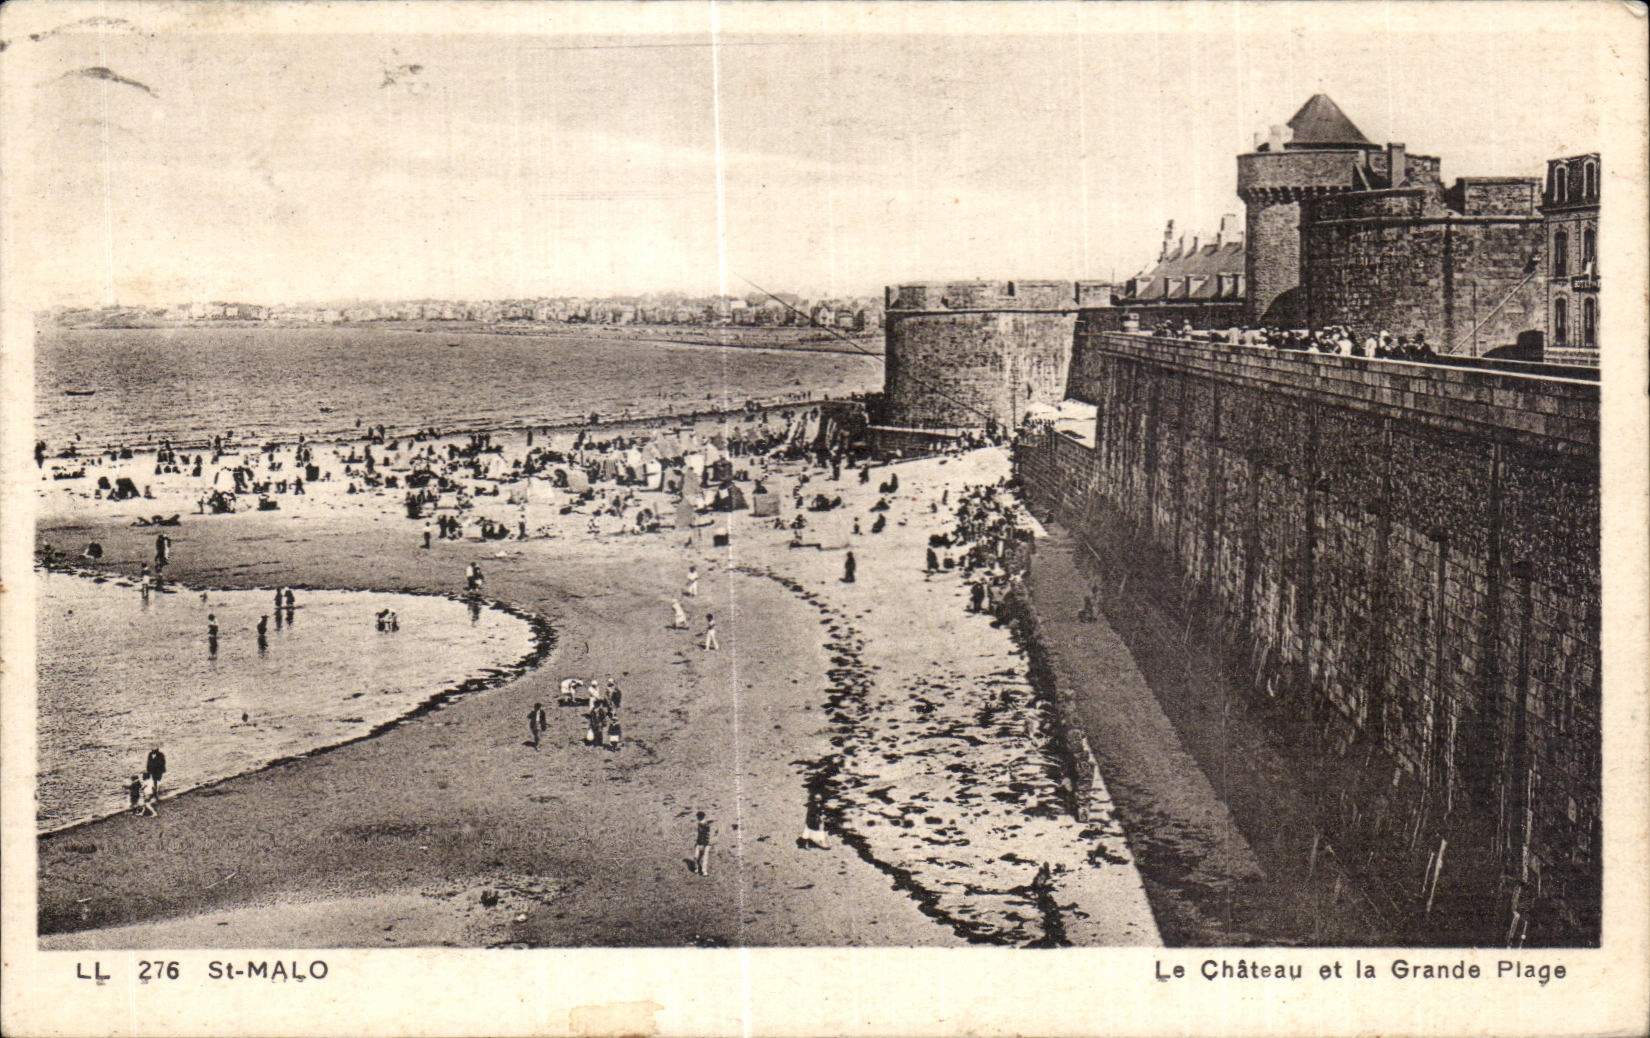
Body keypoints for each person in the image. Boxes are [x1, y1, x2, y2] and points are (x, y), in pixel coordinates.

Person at [693, 811, 713, 875]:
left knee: (704, 858)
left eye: (698, 817)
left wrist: (704, 844)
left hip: (705, 844)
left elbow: (706, 836)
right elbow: (699, 835)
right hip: (699, 843)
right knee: (696, 857)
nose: (697, 818)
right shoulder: (699, 824)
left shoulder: (706, 825)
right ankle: (697, 868)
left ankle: (704, 871)